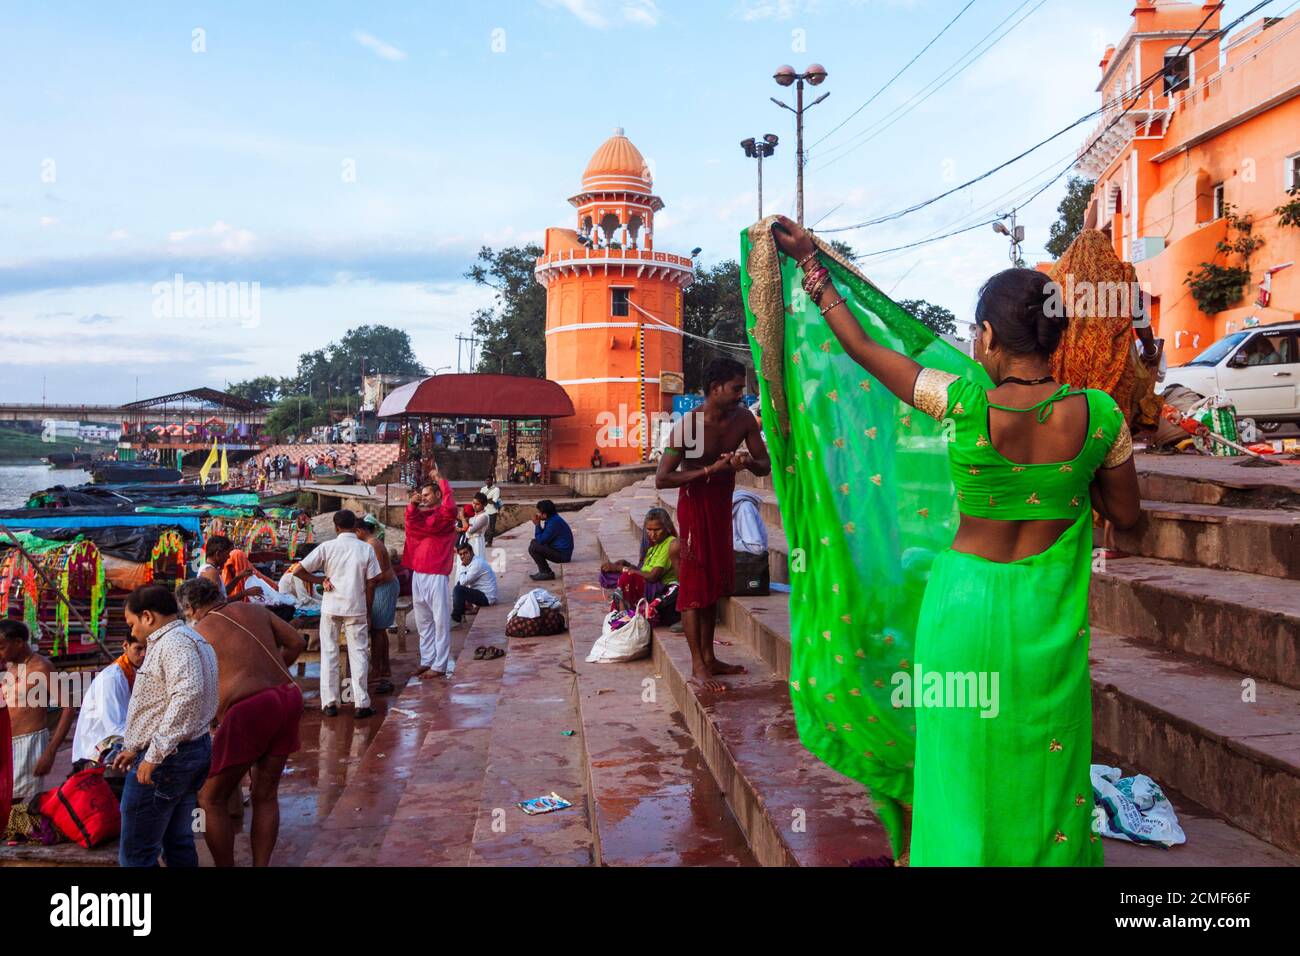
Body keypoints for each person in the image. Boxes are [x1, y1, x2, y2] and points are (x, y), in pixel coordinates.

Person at [766, 215, 1139, 866]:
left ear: (990, 336)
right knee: (1045, 758)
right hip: (1045, 621)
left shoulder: (963, 402)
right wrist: (1076, 481)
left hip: (963, 609)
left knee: (961, 763)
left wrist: (812, 268)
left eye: (976, 332)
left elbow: (862, 349)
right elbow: (1128, 515)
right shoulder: (1102, 415)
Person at [655, 357, 771, 692]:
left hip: (723, 506)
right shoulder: (689, 426)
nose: (741, 394)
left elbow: (764, 465)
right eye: (736, 388)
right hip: (695, 508)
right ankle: (697, 666)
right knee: (694, 587)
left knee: (715, 583)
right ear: (715, 387)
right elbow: (662, 479)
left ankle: (711, 657)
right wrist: (709, 471)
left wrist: (746, 460)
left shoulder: (744, 419)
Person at [176, 577, 305, 867]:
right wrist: (274, 670)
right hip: (288, 696)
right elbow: (297, 641)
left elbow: (194, 689)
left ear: (191, 607)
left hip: (249, 709)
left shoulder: (199, 632)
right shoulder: (255, 611)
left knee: (210, 798)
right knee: (265, 793)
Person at [110, 585, 219, 868]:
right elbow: (163, 703)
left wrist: (154, 754)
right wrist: (134, 747)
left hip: (171, 758)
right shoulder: (189, 638)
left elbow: (188, 694)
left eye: (132, 623)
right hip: (187, 751)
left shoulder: (174, 643)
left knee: (137, 854)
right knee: (178, 840)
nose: (132, 632)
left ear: (147, 616)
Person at [293, 510, 383, 719]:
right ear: (354, 526)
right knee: (359, 653)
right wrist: (368, 610)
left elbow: (298, 570)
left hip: (331, 606)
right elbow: (373, 581)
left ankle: (330, 703)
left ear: (336, 527)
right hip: (356, 606)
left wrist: (321, 581)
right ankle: (362, 703)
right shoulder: (365, 549)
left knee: (330, 652)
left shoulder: (327, 547)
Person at [0, 620, 76, 806]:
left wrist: (50, 751)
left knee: (11, 805)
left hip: (28, 744)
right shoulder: (11, 665)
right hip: (6, 743)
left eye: (2, 647)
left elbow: (68, 708)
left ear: (18, 642)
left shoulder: (42, 666)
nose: (0, 652)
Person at [402, 468, 459, 679]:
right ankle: (427, 660)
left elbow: (450, 506)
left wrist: (441, 481)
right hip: (419, 572)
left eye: (427, 495)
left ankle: (440, 664)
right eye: (422, 495)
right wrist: (412, 504)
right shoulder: (423, 517)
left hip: (436, 573)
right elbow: (410, 522)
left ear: (437, 495)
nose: (423, 498)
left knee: (440, 620)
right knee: (423, 620)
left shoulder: (444, 516)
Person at [70, 633, 145, 771]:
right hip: (93, 756)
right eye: (138, 649)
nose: (143, 654)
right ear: (125, 646)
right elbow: (115, 728)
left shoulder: (131, 672)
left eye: (147, 649)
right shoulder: (112, 679)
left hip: (107, 749)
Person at [599, 507, 679, 605]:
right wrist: (627, 565)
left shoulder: (670, 542)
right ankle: (622, 613)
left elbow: (653, 576)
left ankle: (625, 614)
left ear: (667, 528)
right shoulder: (654, 546)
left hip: (661, 587)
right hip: (651, 583)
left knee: (626, 578)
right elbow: (643, 571)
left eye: (657, 530)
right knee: (614, 574)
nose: (652, 534)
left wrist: (620, 568)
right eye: (649, 530)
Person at [357, 514, 398, 695]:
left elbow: (379, 574)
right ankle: (384, 667)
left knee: (377, 630)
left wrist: (365, 585)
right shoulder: (370, 543)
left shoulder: (373, 544)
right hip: (381, 586)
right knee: (379, 630)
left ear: (359, 531)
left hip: (384, 587)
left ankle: (377, 669)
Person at [223, 548, 296, 620]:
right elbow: (223, 599)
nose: (230, 569)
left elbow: (273, 590)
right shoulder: (225, 578)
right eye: (229, 566)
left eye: (233, 565)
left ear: (240, 563)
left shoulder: (254, 578)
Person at [452, 542, 499, 624]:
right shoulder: (474, 561)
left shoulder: (477, 564)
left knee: (458, 589)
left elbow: (463, 582)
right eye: (461, 554)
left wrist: (462, 567)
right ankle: (461, 613)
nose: (463, 556)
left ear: (471, 552)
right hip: (484, 594)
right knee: (459, 587)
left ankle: (456, 618)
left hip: (487, 598)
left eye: (465, 553)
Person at [528, 499, 573, 581]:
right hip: (560, 551)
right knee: (534, 542)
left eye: (538, 512)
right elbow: (543, 538)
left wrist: (537, 525)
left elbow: (541, 540)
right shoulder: (553, 519)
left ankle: (546, 572)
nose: (537, 514)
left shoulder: (554, 522)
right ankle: (544, 570)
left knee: (533, 547)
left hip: (563, 555)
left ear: (544, 514)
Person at [199, 534, 233, 598]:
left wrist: (239, 577)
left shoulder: (210, 569)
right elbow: (218, 603)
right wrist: (245, 593)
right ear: (218, 554)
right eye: (227, 553)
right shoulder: (210, 572)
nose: (229, 557)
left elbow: (224, 592)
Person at [460, 493, 491, 559]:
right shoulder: (474, 515)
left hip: (477, 542)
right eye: (473, 503)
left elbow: (470, 531)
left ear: (484, 504)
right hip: (469, 541)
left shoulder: (484, 516)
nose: (474, 506)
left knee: (476, 561)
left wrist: (462, 517)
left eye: (477, 504)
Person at [479, 475, 501, 545]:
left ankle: (489, 542)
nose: (488, 481)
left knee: (491, 528)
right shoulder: (483, 489)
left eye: (489, 480)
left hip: (492, 511)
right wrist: (488, 499)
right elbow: (479, 499)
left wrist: (484, 500)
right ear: (485, 481)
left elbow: (494, 501)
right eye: (486, 480)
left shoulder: (496, 489)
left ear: (492, 481)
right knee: (482, 527)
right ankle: (483, 541)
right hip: (484, 511)